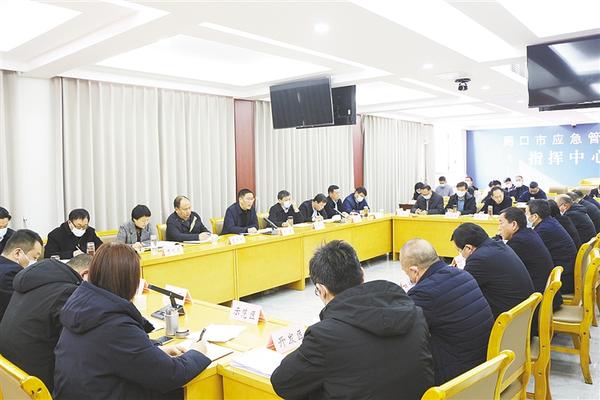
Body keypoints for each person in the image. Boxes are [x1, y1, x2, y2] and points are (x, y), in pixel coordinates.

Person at [270, 240, 434, 399]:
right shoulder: (414, 312)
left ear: (321, 290)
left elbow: (282, 383)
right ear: (362, 273)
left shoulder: (324, 337)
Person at [53, 243, 211, 399]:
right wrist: (197, 352)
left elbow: (113, 353)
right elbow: (171, 375)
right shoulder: (115, 324)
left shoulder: (81, 307)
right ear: (129, 281)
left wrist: (154, 351)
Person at [400, 239, 493, 385]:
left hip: (459, 376)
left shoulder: (424, 293)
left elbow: (401, 326)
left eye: (407, 273)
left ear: (414, 271)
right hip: (484, 361)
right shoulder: (463, 274)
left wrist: (405, 296)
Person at [0, 255, 90, 391]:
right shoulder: (67, 292)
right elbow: (76, 349)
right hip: (38, 385)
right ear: (85, 274)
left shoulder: (33, 283)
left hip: (11, 377)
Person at [451, 223, 534, 319]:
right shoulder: (497, 245)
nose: (460, 254)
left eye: (459, 251)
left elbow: (460, 290)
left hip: (507, 318)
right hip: (522, 313)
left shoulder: (479, 259)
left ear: (468, 248)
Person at [498, 207, 562, 310]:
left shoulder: (518, 242)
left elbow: (501, 267)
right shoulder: (528, 233)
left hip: (536, 302)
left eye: (501, 223)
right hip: (543, 294)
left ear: (513, 225)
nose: (499, 228)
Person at [527, 200, 577, 294]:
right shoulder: (550, 222)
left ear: (535, 216)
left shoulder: (543, 230)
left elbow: (531, 253)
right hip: (566, 273)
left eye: (526, 213)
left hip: (561, 280)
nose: (525, 216)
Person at [0, 229, 43, 322]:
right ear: (17, 253)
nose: (35, 262)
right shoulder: (12, 273)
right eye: (34, 257)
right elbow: (23, 308)